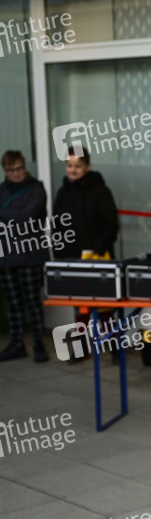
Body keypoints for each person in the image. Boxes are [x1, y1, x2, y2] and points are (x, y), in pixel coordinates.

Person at [0, 151, 49, 362]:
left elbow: (29, 216)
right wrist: (17, 221)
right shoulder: (2, 190)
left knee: (32, 301)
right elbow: (21, 218)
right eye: (11, 170)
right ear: (5, 171)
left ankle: (38, 343)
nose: (16, 173)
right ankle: (17, 344)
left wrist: (5, 217)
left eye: (19, 168)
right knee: (13, 302)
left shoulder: (36, 188)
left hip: (30, 254)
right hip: (6, 255)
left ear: (25, 166)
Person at [53, 147, 118, 259]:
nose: (73, 170)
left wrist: (97, 249)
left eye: (78, 166)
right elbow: (56, 224)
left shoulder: (100, 191)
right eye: (69, 165)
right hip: (67, 258)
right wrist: (58, 249)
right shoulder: (62, 193)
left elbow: (111, 225)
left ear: (87, 166)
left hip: (95, 258)